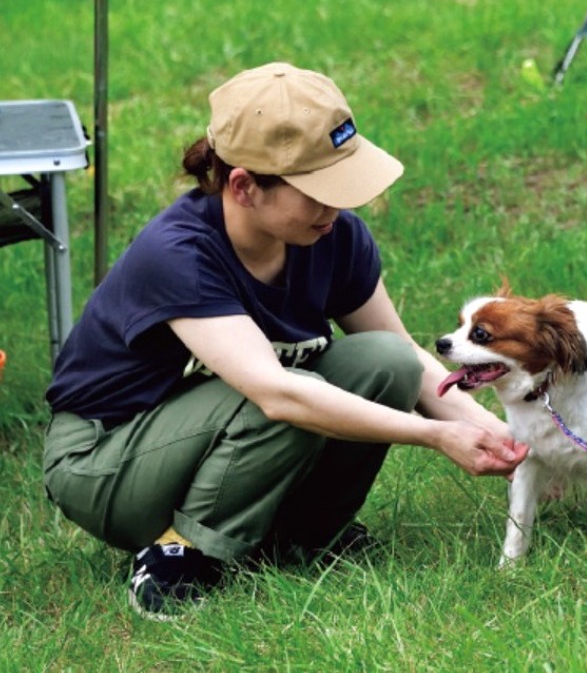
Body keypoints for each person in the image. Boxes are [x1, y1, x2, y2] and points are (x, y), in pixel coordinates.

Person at [43, 62, 529, 619]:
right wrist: (436, 435)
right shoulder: (179, 254)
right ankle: (182, 551)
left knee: (386, 361)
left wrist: (502, 435)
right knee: (291, 394)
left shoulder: (331, 233)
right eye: (318, 192)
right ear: (244, 186)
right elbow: (278, 394)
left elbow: (411, 365)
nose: (337, 207)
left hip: (208, 429)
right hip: (104, 459)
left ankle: (303, 537)